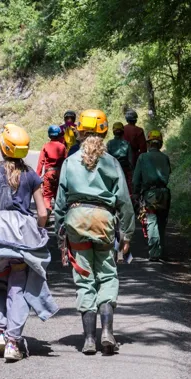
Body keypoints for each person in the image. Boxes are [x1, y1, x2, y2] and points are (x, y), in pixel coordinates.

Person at [0, 124, 59, 362]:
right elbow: (43, 212)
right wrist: (38, 231)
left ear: (3, 147)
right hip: (22, 237)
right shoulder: (31, 176)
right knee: (18, 287)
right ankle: (12, 342)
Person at [54, 109, 135, 355]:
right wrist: (127, 234)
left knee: (84, 278)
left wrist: (60, 235)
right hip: (103, 221)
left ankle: (89, 339)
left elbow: (60, 203)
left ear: (80, 131)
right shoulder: (111, 162)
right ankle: (108, 332)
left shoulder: (70, 162)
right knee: (108, 276)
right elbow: (124, 200)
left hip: (76, 221)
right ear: (104, 131)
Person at [132, 130, 171, 262]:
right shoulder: (165, 157)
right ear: (160, 143)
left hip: (150, 194)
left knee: (152, 221)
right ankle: (161, 250)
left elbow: (136, 178)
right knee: (161, 221)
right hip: (164, 193)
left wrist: (136, 193)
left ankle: (154, 252)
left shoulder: (143, 158)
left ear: (149, 144)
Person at [36, 125, 67, 216]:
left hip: (49, 173)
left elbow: (41, 162)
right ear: (59, 135)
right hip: (59, 173)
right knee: (58, 195)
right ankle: (60, 216)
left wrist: (37, 176)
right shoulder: (62, 147)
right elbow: (66, 161)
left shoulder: (46, 146)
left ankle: (47, 213)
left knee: (47, 196)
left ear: (49, 135)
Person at [106, 122, 133, 194]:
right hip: (124, 169)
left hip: (113, 169)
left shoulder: (109, 143)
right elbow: (131, 160)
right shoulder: (127, 143)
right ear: (123, 132)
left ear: (113, 132)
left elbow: (107, 159)